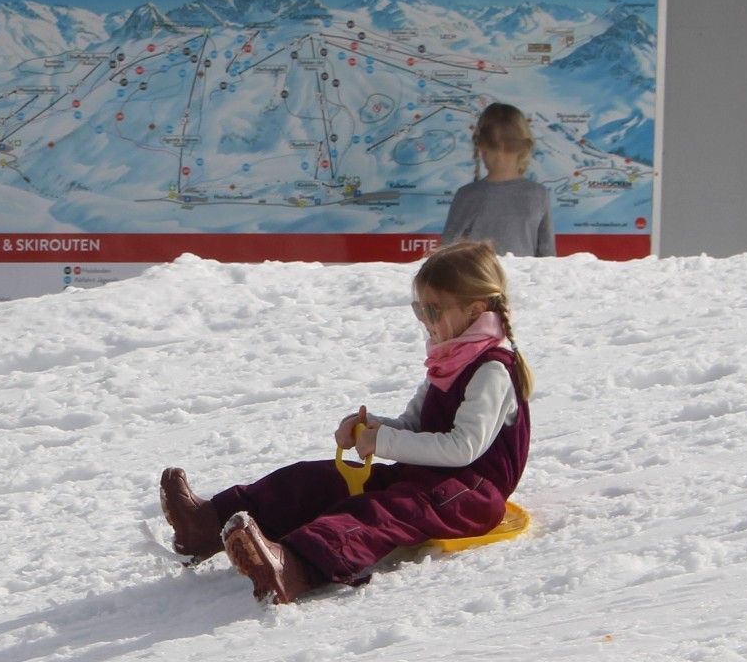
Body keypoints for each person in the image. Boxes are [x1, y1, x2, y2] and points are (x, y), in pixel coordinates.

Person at [158, 240, 532, 604]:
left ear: (475, 309)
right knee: (318, 478)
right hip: (426, 479)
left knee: (379, 511)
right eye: (419, 310)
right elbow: (415, 424)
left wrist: (383, 441)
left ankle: (295, 566)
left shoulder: (492, 370)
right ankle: (206, 525)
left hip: (471, 496)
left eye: (433, 311)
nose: (424, 321)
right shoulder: (451, 359)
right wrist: (370, 429)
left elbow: (463, 447)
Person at [440, 102, 554, 257]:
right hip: (524, 280)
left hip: (479, 280)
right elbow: (548, 256)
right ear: (525, 145)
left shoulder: (467, 195)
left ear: (481, 146)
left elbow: (447, 253)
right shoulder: (539, 194)